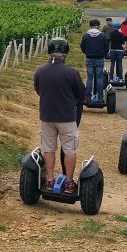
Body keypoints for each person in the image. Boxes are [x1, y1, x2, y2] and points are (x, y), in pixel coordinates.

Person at [33, 38, 86, 193]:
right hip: (66, 117)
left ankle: (50, 180)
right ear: (65, 53)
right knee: (69, 149)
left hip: (47, 115)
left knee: (48, 148)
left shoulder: (40, 71)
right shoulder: (71, 72)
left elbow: (38, 90)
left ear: (49, 52)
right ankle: (69, 183)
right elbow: (81, 95)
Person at [79, 18, 107, 103]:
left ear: (90, 26)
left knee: (89, 78)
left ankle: (88, 97)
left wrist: (86, 53)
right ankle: (100, 98)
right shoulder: (102, 35)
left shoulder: (86, 35)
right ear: (98, 26)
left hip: (89, 58)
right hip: (99, 58)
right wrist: (104, 54)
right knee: (99, 78)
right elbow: (106, 47)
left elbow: (82, 47)